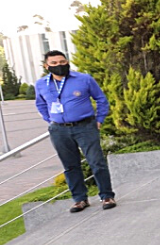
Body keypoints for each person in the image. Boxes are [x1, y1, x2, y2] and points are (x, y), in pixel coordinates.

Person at [34, 50, 117, 213]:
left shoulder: (84, 79)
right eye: (54, 63)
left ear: (67, 62)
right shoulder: (41, 84)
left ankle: (107, 195)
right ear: (46, 66)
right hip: (59, 130)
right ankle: (80, 199)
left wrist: (99, 120)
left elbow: (101, 99)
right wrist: (50, 120)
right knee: (70, 166)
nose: (59, 65)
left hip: (85, 127)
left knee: (96, 161)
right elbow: (40, 104)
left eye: (62, 62)